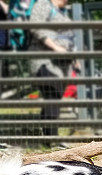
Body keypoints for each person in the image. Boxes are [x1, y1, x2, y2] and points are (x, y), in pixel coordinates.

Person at [28, 0, 77, 136]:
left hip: (62, 65)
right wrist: (56, 47)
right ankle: (51, 138)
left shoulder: (62, 11)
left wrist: (74, 58)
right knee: (53, 93)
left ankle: (47, 136)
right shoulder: (43, 4)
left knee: (53, 97)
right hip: (44, 60)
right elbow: (36, 27)